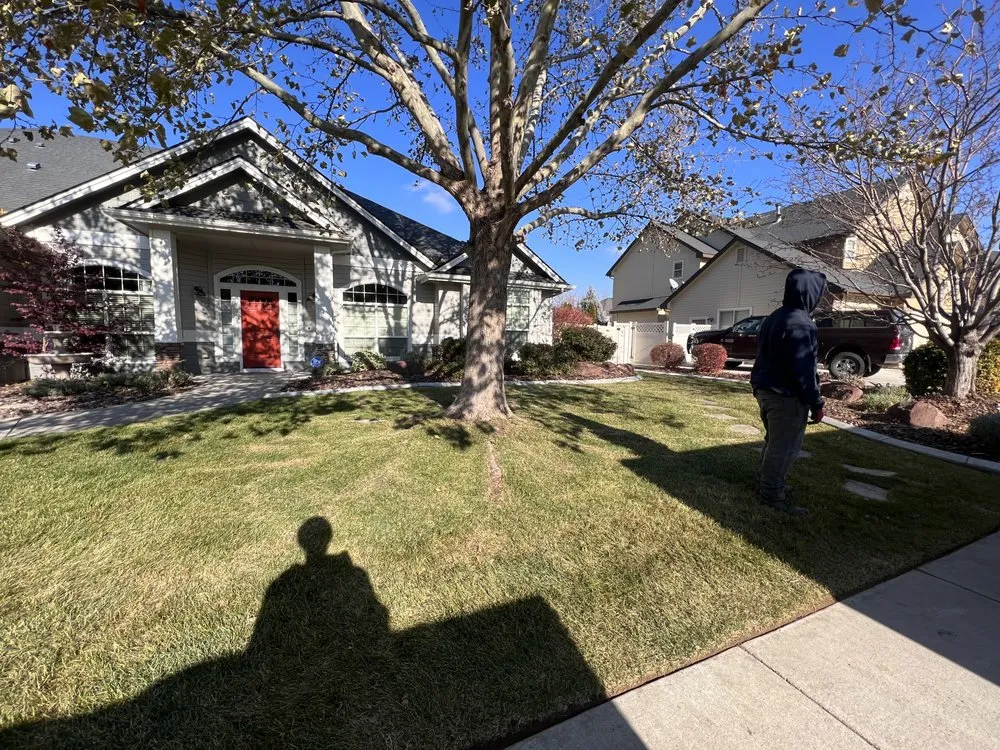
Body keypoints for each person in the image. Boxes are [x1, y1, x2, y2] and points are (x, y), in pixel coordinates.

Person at [750, 268, 828, 516]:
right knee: (784, 447)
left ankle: (766, 483)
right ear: (810, 293)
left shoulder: (776, 316)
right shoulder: (801, 323)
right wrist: (816, 402)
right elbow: (803, 368)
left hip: (765, 389)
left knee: (773, 441)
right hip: (786, 395)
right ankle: (771, 495)